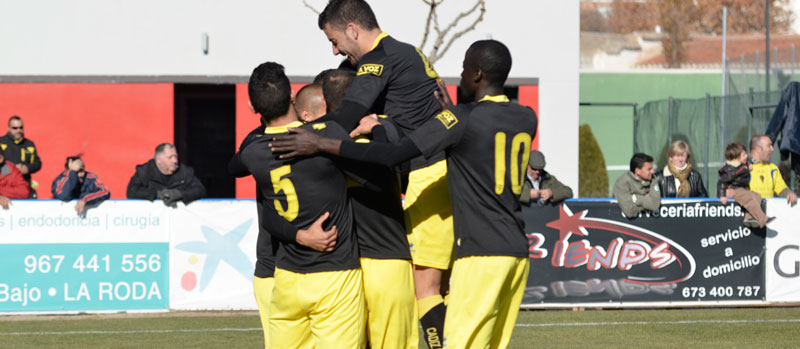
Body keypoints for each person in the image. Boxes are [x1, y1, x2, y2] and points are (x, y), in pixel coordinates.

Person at [271, 39, 537, 349]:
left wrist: (321, 143)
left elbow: (395, 153)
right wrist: (452, 115)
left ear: (477, 75)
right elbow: (480, 143)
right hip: (518, 252)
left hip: (481, 253)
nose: (458, 78)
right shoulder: (527, 117)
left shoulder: (461, 119)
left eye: (464, 70)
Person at [317, 2, 452, 344]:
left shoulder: (379, 58)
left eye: (334, 40)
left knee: (426, 287)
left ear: (352, 29)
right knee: (443, 284)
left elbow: (348, 113)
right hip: (441, 171)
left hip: (429, 173)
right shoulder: (408, 52)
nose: (335, 50)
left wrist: (307, 139)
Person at [240, 62, 367, 348]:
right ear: (292, 98)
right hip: (334, 274)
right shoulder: (329, 132)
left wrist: (300, 236)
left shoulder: (253, 154)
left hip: (287, 278)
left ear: (252, 108)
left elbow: (237, 168)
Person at [308, 67, 418, 349]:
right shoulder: (387, 131)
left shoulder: (318, 145)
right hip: (384, 262)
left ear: (325, 101)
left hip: (345, 269)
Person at [126, 143, 206, 206]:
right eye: (170, 157)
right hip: (152, 219)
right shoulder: (145, 171)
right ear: (158, 161)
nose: (175, 161)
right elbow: (131, 192)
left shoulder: (185, 171)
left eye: (176, 156)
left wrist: (179, 194)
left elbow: (200, 190)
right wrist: (158, 194)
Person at [718, 143, 772, 228]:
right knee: (748, 198)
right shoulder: (730, 170)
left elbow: (747, 161)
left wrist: (749, 164)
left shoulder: (742, 164)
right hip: (734, 190)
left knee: (757, 196)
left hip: (742, 189)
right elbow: (721, 182)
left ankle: (749, 218)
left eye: (746, 153)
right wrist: (722, 195)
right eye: (743, 155)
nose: (746, 156)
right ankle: (762, 219)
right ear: (736, 159)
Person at [749, 135, 798, 204]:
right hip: (748, 211)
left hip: (767, 212)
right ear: (758, 149)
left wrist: (789, 194)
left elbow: (782, 189)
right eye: (769, 146)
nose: (772, 149)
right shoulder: (745, 167)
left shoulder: (773, 168)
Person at [0, 115, 42, 198]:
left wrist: (27, 168)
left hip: (24, 185)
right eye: (15, 128)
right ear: (8, 128)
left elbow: (37, 163)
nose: (18, 130)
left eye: (21, 127)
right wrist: (14, 170)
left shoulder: (29, 144)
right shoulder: (1, 142)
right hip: (5, 185)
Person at [613, 153, 661, 218]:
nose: (652, 171)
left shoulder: (653, 179)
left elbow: (655, 205)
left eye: (652, 168)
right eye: (649, 169)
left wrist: (635, 198)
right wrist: (646, 201)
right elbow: (630, 212)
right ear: (638, 171)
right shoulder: (622, 183)